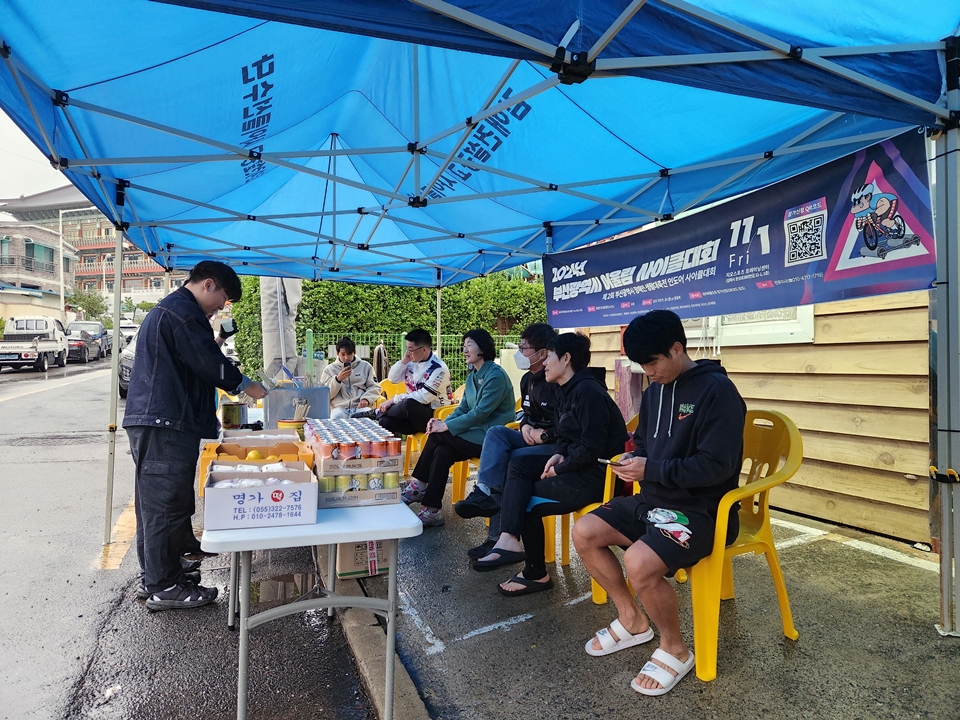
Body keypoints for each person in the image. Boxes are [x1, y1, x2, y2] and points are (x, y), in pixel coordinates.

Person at [572, 310, 745, 697]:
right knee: (584, 531)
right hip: (653, 500)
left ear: (677, 348)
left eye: (653, 362)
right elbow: (645, 446)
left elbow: (717, 467)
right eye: (642, 365)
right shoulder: (654, 392)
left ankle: (675, 648)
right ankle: (631, 619)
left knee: (639, 563)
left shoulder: (718, 392)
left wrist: (651, 468)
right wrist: (633, 460)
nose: (648, 372)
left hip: (703, 512)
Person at [123, 261, 268, 612]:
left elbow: (199, 357)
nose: (221, 308)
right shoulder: (183, 313)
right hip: (165, 423)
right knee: (165, 505)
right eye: (223, 299)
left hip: (162, 421)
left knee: (157, 504)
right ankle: (164, 586)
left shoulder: (177, 310)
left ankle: (159, 574)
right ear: (208, 284)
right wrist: (246, 385)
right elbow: (208, 362)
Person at [471, 332, 628, 599]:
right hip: (578, 466)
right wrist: (559, 455)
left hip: (598, 476)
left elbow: (592, 447)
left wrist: (560, 467)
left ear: (566, 359)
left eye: (550, 356)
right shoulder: (567, 389)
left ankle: (535, 572)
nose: (544, 362)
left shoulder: (588, 391)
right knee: (518, 465)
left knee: (525, 499)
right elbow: (567, 436)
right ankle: (509, 539)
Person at [453, 323, 559, 560]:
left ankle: (498, 539)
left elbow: (568, 426)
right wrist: (527, 426)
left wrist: (544, 435)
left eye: (524, 348)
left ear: (543, 353)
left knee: (507, 462)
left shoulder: (557, 382)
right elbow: (526, 414)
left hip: (552, 446)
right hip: (529, 438)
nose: (519, 353)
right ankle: (483, 491)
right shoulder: (527, 379)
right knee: (497, 433)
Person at [401, 329, 515, 526]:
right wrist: (441, 422)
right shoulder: (473, 376)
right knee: (442, 452)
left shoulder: (496, 376)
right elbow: (463, 408)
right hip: (474, 434)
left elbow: (480, 413)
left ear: (482, 348)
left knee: (437, 436)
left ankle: (419, 484)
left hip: (491, 439)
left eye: (469, 345)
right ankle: (432, 510)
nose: (464, 350)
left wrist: (445, 426)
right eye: (464, 346)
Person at [378, 329, 451, 436]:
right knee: (384, 421)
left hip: (434, 417)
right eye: (407, 349)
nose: (408, 353)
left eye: (411, 350)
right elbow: (393, 379)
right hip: (412, 415)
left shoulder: (439, 368)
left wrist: (393, 400)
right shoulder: (411, 362)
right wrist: (404, 361)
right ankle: (379, 418)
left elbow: (423, 397)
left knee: (409, 404)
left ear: (424, 349)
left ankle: (376, 413)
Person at [320, 336, 382, 419]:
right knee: (336, 417)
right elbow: (325, 394)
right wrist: (337, 380)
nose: (346, 358)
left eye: (349, 354)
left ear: (354, 352)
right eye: (343, 354)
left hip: (360, 407)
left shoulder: (366, 367)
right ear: (337, 353)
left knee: (369, 418)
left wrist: (366, 399)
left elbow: (375, 387)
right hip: (339, 408)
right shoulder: (329, 370)